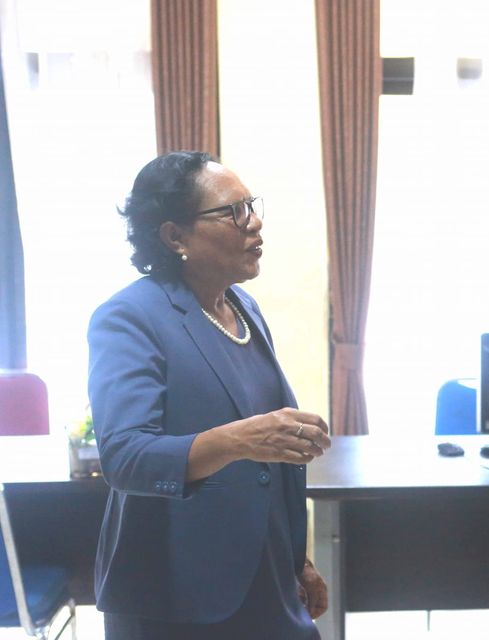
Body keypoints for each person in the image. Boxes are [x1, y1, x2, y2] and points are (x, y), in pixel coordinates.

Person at [88, 151, 331, 640]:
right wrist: (240, 440)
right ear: (175, 236)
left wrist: (297, 560)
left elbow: (269, 468)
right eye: (233, 212)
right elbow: (125, 457)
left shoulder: (244, 308)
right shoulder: (129, 317)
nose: (254, 222)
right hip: (178, 596)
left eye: (252, 206)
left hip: (267, 582)